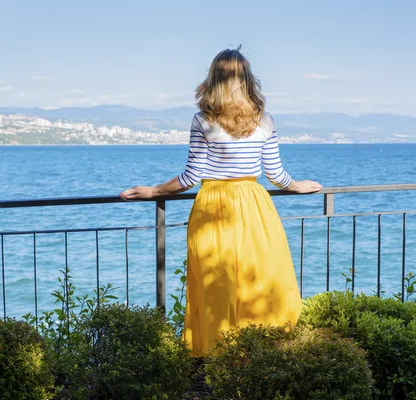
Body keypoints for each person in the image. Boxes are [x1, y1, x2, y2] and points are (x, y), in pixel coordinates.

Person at [120, 48, 322, 356]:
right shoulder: (264, 120)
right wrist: (296, 186)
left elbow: (190, 177)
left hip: (213, 206)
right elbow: (275, 174)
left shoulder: (203, 120)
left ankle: (219, 355)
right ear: (247, 79)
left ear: (213, 78)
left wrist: (153, 191)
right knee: (259, 280)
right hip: (255, 206)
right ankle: (264, 352)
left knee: (217, 284)